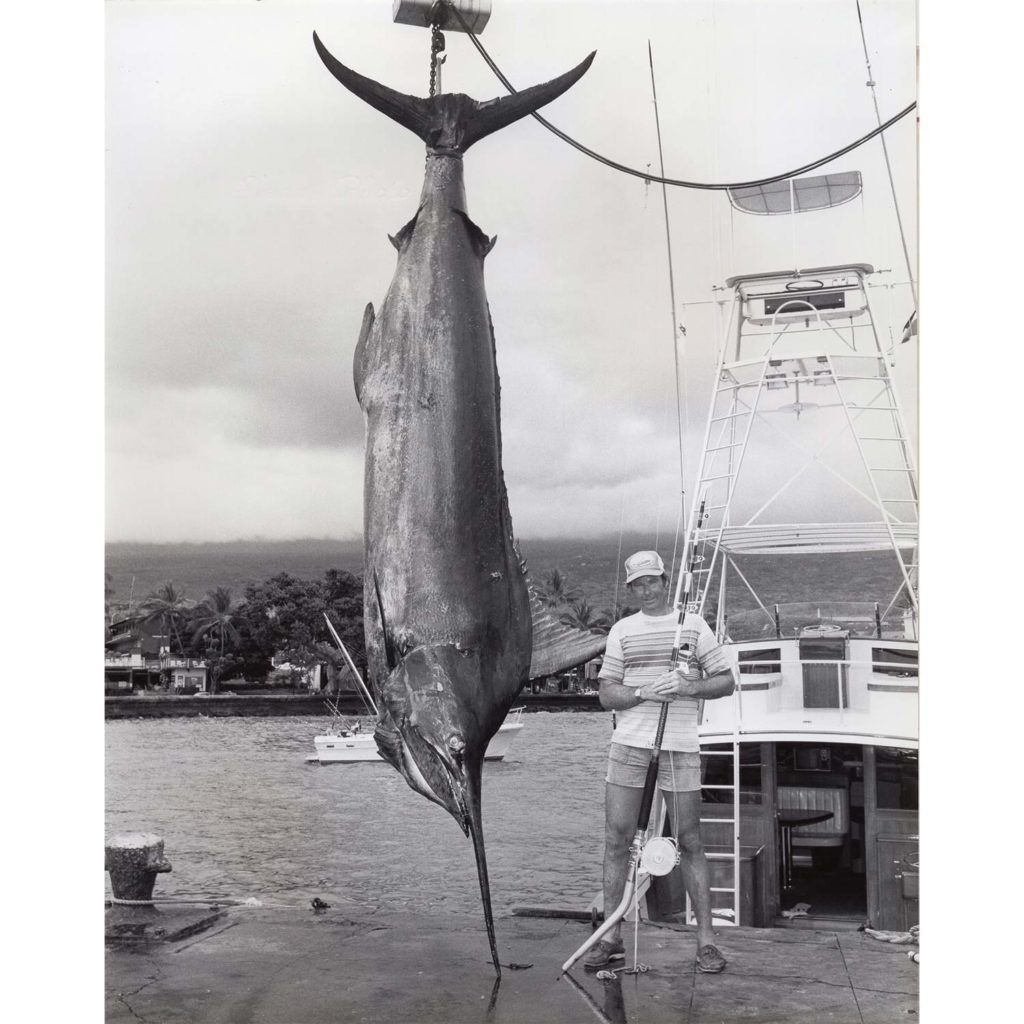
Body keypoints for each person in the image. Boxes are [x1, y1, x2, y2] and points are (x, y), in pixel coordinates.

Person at [585, 550, 736, 975]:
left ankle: (706, 941)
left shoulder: (694, 627)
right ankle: (609, 937)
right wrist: (641, 694)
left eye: (652, 581)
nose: (646, 589)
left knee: (690, 840)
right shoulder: (622, 631)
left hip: (681, 747)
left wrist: (689, 685)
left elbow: (726, 682)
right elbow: (606, 694)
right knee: (617, 840)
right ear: (630, 589)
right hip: (629, 746)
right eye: (638, 584)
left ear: (665, 581)